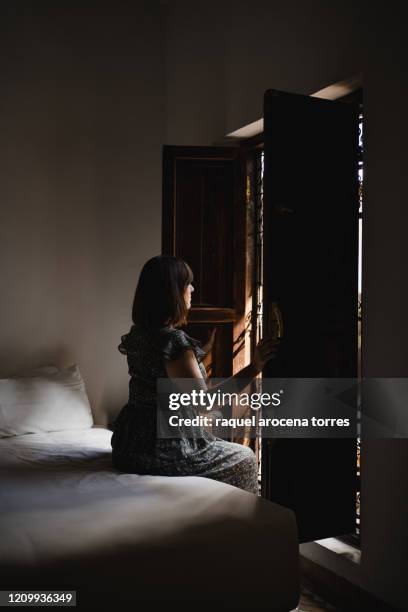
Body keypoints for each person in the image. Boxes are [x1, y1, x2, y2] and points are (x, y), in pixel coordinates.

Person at [111, 255, 279, 494]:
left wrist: (201, 353)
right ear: (172, 293)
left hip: (130, 444)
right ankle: (242, 524)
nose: (192, 289)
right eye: (187, 284)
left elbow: (160, 372)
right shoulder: (174, 343)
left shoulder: (139, 334)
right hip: (162, 446)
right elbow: (204, 404)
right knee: (245, 457)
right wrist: (255, 367)